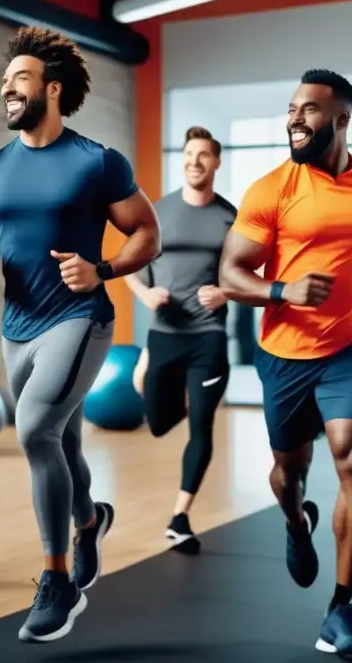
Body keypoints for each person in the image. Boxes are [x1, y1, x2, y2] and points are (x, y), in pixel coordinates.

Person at [0, 26, 161, 643]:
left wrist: (104, 270)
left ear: (53, 88)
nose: (6, 89)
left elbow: (146, 233)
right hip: (16, 327)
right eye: (4, 81)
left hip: (80, 319)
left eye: (17, 79)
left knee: (37, 430)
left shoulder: (97, 162)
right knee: (62, 443)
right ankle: (90, 519)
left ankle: (57, 579)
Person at [218, 69, 352, 661]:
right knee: (289, 472)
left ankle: (340, 606)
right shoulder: (270, 190)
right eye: (291, 108)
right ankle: (295, 523)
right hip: (284, 354)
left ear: (342, 118)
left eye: (308, 109)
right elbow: (230, 276)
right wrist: (283, 292)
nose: (295, 118)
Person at [124, 125, 237, 554]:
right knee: (157, 423)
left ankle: (179, 516)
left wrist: (226, 292)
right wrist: (146, 295)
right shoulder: (158, 212)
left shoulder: (232, 217)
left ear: (216, 162)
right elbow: (132, 267)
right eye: (189, 153)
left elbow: (246, 273)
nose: (195, 161)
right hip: (165, 335)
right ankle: (172, 382)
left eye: (204, 154)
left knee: (201, 428)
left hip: (208, 336)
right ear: (183, 159)